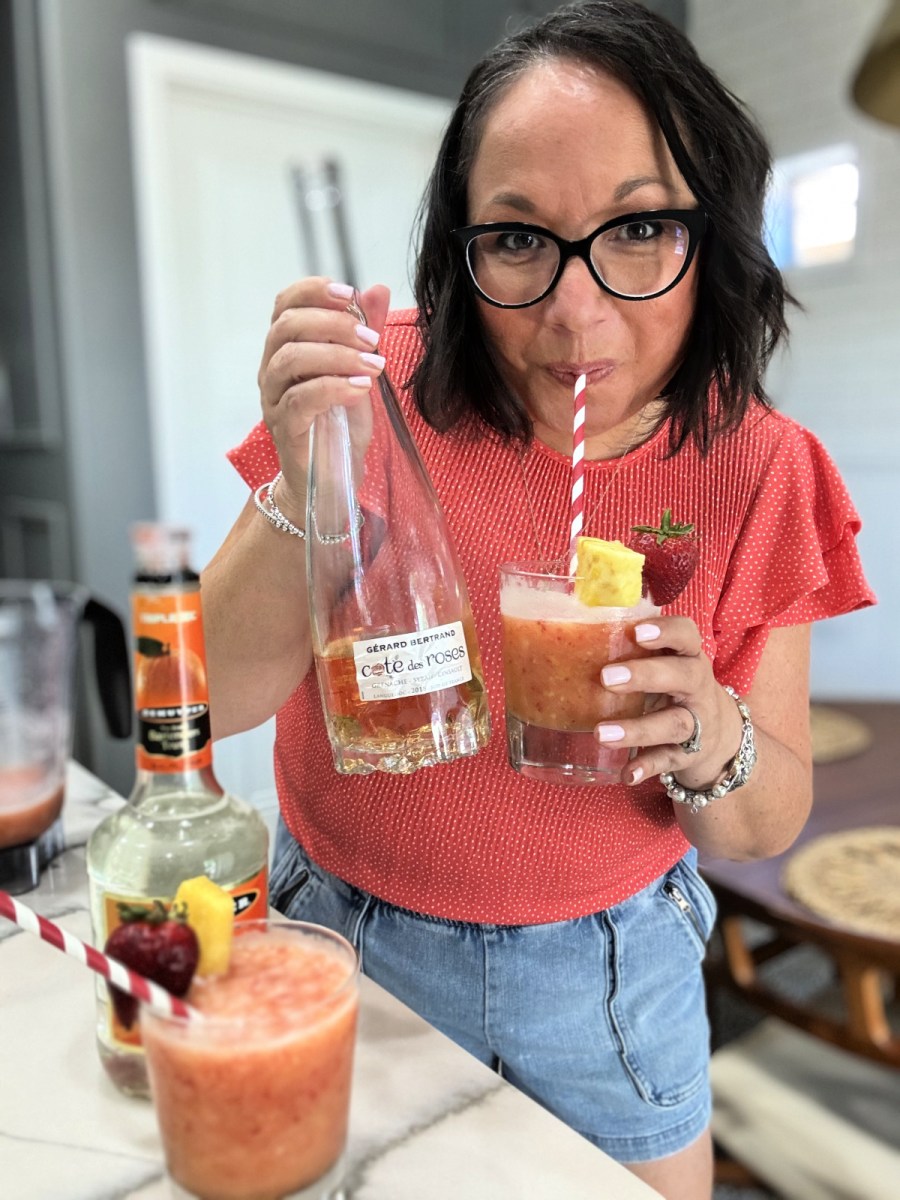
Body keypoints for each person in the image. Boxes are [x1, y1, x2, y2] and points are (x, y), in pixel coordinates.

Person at [202, 3, 875, 1196]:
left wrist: (711, 733)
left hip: (612, 973)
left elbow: (762, 825)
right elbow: (209, 703)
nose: (577, 312)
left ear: (713, 231)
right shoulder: (376, 379)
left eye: (640, 226)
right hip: (341, 927)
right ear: (460, 247)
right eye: (517, 239)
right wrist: (314, 480)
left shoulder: (764, 467)